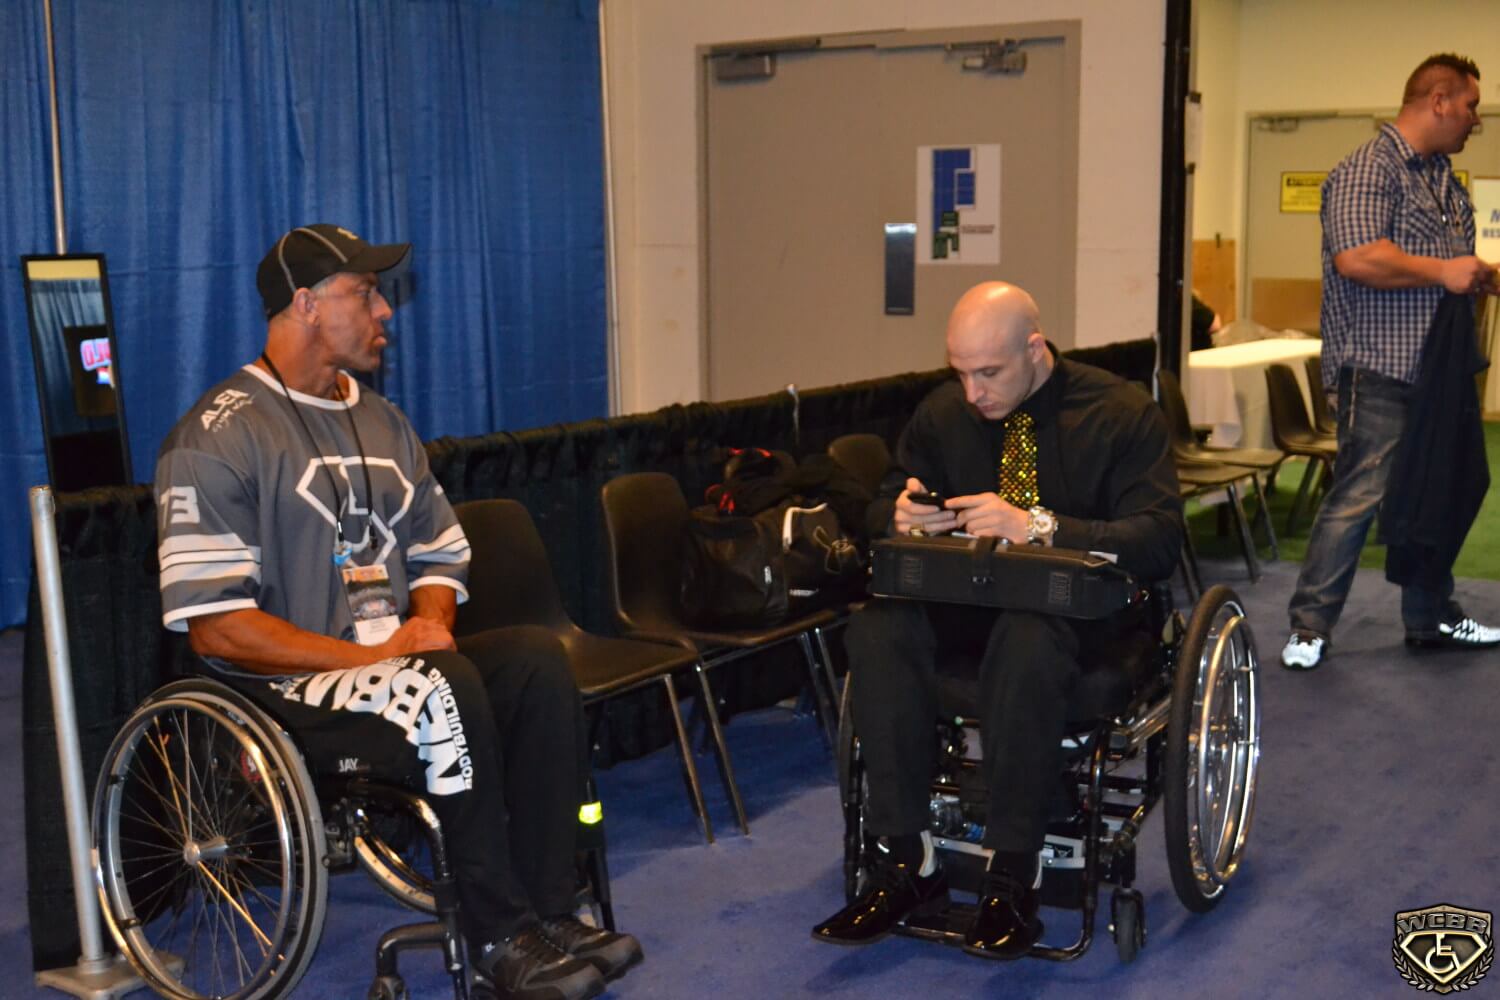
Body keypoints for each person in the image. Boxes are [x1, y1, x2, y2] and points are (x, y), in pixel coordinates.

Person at [154, 224, 641, 1000]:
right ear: (307, 305)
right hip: (284, 688)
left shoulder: (381, 420)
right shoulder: (217, 436)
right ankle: (496, 936)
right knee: (442, 686)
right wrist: (376, 658)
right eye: (366, 294)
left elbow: (440, 552)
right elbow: (219, 626)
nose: (385, 311)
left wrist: (432, 624)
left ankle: (552, 912)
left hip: (391, 667)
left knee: (535, 662)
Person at [810, 281, 1182, 959]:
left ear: (1034, 350)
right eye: (960, 372)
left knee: (1029, 637)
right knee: (878, 628)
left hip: (1080, 612)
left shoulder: (1120, 413)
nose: (973, 392)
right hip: (970, 598)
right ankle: (907, 858)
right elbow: (887, 501)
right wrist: (899, 514)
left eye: (989, 373)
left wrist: (1037, 526)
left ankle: (1014, 867)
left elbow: (1158, 540)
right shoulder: (943, 414)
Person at [1282, 53, 1500, 671]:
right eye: (1470, 106)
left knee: (1443, 492)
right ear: (1438, 101)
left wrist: (1480, 276)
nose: (1476, 119)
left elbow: (1445, 269)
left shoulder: (1442, 179)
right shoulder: (1368, 168)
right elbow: (1357, 257)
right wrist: (1445, 271)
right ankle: (1308, 627)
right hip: (1379, 369)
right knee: (1358, 495)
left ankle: (1431, 616)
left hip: (1439, 375)